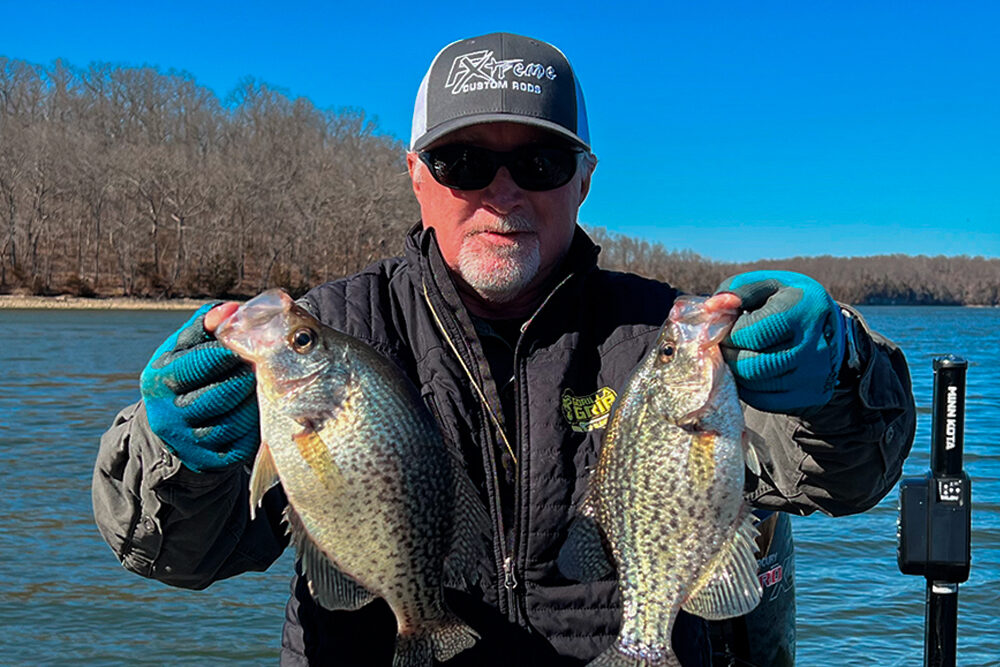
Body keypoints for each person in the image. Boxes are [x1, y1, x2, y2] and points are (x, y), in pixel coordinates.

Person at [92, 32, 916, 666]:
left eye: (539, 160)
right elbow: (178, 555)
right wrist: (176, 454)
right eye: (464, 161)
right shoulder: (332, 330)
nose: (503, 192)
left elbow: (843, 476)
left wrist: (839, 372)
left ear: (584, 177)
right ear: (416, 174)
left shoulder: (664, 334)